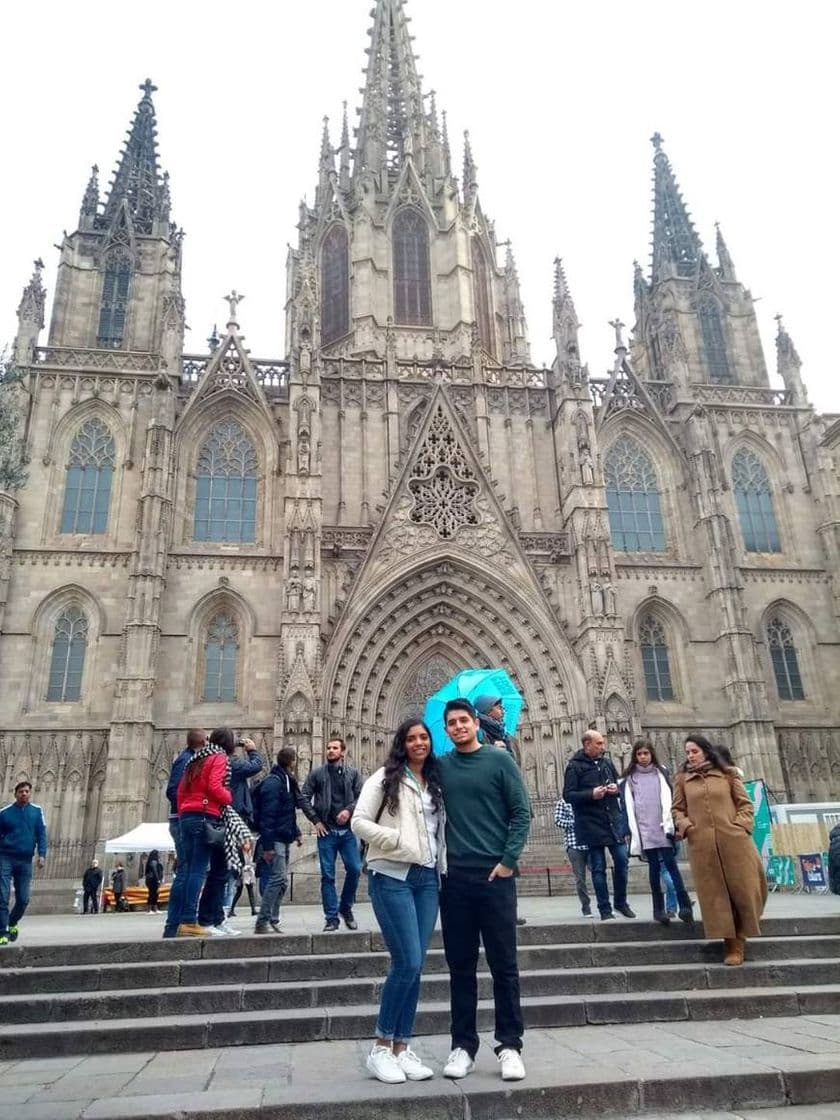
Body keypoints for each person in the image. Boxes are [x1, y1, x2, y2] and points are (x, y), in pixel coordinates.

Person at [437, 698, 531, 1083]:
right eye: (452, 722)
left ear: (476, 723)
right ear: (445, 730)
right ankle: (463, 1046)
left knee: (504, 965)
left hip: (495, 878)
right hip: (454, 880)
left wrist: (508, 861)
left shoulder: (500, 761)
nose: (459, 726)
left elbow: (522, 812)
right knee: (460, 968)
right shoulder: (439, 768)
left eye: (464, 720)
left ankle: (510, 1045)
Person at [352, 719, 443, 1085]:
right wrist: (394, 839)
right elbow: (358, 821)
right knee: (406, 961)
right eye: (411, 738)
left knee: (416, 965)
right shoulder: (383, 778)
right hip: (391, 875)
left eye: (423, 737)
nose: (418, 742)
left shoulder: (436, 782)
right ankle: (380, 1048)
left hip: (427, 879)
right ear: (401, 744)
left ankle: (401, 1049)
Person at [672, 733, 768, 966]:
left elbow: (745, 804)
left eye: (694, 751)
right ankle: (732, 945)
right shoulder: (683, 779)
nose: (691, 756)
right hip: (703, 845)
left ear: (706, 751)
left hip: (734, 841)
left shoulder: (727, 774)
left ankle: (742, 934)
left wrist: (740, 826)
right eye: (687, 752)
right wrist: (687, 827)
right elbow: (677, 809)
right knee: (717, 895)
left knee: (745, 889)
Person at [563, 730, 634, 921]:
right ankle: (605, 909)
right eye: (599, 743)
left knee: (622, 861)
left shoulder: (607, 762)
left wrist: (615, 789)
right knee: (598, 868)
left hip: (612, 820)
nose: (603, 747)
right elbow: (568, 795)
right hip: (591, 824)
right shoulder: (574, 766)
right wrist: (591, 794)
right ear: (587, 744)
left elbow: (620, 786)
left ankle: (620, 902)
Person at [621, 739, 693, 925]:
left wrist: (675, 824)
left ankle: (685, 906)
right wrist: (627, 831)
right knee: (654, 870)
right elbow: (626, 807)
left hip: (664, 827)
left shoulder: (661, 773)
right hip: (645, 830)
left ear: (652, 753)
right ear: (634, 756)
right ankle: (658, 909)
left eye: (646, 753)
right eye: (639, 754)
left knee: (672, 867)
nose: (643, 757)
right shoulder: (629, 778)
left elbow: (672, 800)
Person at [176, 730, 236, 937]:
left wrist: (186, 809)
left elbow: (180, 792)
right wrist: (228, 797)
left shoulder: (194, 760)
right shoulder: (218, 757)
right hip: (205, 816)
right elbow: (214, 787)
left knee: (193, 870)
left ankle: (188, 920)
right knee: (199, 871)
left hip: (188, 817)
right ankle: (190, 921)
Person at [251, 747, 318, 934]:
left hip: (283, 836)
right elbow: (268, 816)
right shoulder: (274, 783)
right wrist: (268, 846)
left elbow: (285, 812)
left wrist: (296, 831)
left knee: (283, 882)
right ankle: (262, 921)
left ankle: (272, 918)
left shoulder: (286, 781)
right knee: (278, 878)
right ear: (292, 762)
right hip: (274, 840)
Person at [302, 736, 363, 932]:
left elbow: (362, 796)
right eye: (328, 748)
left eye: (335, 748)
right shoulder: (317, 774)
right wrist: (316, 821)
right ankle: (331, 918)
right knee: (327, 876)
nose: (330, 750)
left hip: (347, 832)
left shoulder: (353, 774)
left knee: (355, 869)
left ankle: (345, 908)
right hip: (326, 831)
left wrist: (349, 810)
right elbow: (303, 797)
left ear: (343, 752)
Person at [162, 729, 206, 938]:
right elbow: (172, 791)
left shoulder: (192, 760)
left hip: (184, 818)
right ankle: (175, 924)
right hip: (182, 820)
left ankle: (177, 924)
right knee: (185, 871)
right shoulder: (185, 760)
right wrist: (190, 806)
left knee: (187, 870)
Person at [0, 781, 48, 945]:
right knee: (2, 896)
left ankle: (12, 921)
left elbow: (41, 834)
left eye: (27, 791)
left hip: (25, 860)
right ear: (15, 794)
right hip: (5, 857)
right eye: (21, 791)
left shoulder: (36, 811)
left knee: (23, 899)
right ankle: (3, 932)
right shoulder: (4, 813)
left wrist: (42, 855)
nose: (24, 794)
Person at [221, 735, 264, 913]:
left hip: (224, 817)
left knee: (232, 866)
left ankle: (227, 909)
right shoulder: (232, 762)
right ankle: (224, 910)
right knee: (238, 867)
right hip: (236, 817)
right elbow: (256, 765)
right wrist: (252, 750)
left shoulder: (213, 760)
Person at [553, 796, 591, 917]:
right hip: (574, 845)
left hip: (591, 843)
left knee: (599, 873)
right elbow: (558, 820)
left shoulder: (587, 798)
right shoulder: (562, 802)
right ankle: (586, 907)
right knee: (580, 879)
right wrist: (575, 822)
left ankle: (605, 906)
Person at [144, 848, 164, 913]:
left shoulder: (151, 861)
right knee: (153, 894)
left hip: (151, 880)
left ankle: (154, 908)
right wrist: (158, 879)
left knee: (154, 893)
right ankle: (150, 908)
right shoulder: (154, 862)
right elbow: (155, 871)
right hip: (153, 880)